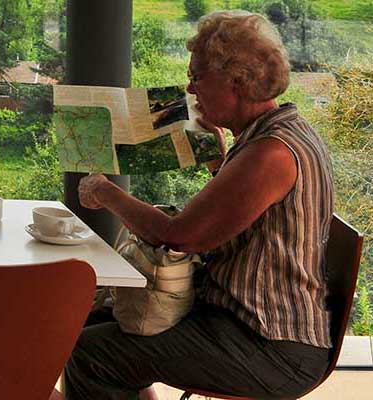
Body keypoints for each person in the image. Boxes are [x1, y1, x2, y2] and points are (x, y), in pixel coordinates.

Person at [58, 10, 335, 400]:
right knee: (86, 326)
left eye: (197, 77)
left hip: (269, 345)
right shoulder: (274, 134)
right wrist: (218, 164)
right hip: (244, 323)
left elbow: (181, 236)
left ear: (237, 79)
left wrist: (106, 192)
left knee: (94, 354)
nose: (190, 90)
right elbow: (249, 215)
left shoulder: (270, 152)